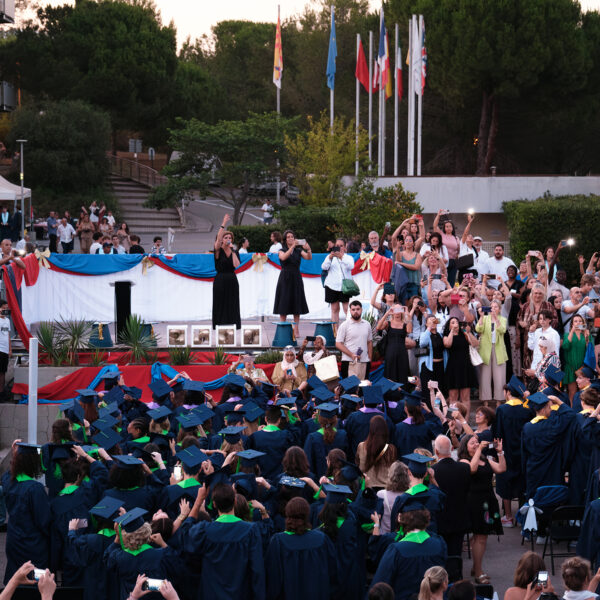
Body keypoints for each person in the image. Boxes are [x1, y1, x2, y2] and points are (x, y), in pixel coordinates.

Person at [181, 483, 265, 599]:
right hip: (240, 594)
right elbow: (257, 570)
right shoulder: (250, 531)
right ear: (235, 501)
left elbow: (185, 534)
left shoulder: (205, 531)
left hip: (211, 594)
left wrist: (198, 501)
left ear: (214, 504)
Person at [370, 500, 448, 600]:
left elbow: (381, 581)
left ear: (400, 519)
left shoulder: (396, 550)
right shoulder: (439, 544)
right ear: (427, 519)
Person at [265, 497, 338, 600]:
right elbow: (333, 574)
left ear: (287, 514)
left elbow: (273, 580)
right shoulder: (322, 539)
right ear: (307, 515)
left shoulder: (278, 542)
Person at [458, 434, 506, 583]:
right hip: (474, 502)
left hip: (488, 500)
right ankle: (478, 572)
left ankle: (476, 566)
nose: (476, 444)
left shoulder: (485, 459)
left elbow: (501, 469)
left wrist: (500, 452)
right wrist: (479, 449)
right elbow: (472, 469)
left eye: (477, 442)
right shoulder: (464, 460)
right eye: (472, 443)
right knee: (480, 537)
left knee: (482, 537)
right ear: (465, 446)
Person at [2, 441, 51, 584]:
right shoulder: (35, 489)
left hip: (14, 541)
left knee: (16, 578)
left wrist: (15, 453)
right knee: (36, 580)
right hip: (33, 545)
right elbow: (44, 522)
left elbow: (8, 473)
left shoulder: (8, 482)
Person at [521, 392, 576, 498]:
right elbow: (571, 414)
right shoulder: (553, 425)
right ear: (543, 409)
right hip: (553, 470)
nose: (551, 410)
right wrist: (558, 401)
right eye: (549, 407)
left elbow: (524, 453)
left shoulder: (527, 428)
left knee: (536, 502)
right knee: (552, 500)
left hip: (533, 470)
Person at [495, 378, 532, 526]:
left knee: (505, 481)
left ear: (508, 392)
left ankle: (509, 517)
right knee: (523, 482)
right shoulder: (527, 409)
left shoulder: (502, 410)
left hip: (507, 451)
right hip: (524, 452)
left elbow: (497, 433)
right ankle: (523, 518)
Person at [432, 435, 471, 556]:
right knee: (456, 554)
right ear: (452, 448)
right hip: (459, 517)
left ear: (436, 451)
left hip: (440, 519)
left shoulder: (433, 471)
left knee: (441, 554)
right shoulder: (464, 468)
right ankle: (457, 574)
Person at [273, 230, 312, 337]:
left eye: (292, 237)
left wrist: (308, 249)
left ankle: (296, 329)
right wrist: (292, 247)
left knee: (296, 302)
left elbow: (309, 257)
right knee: (284, 302)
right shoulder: (282, 249)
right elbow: (283, 257)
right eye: (288, 237)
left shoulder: (298, 251)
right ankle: (282, 328)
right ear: (285, 239)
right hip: (285, 277)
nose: (291, 238)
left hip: (296, 277)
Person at [476, 300, 508, 407]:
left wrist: (496, 319)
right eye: (492, 307)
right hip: (485, 350)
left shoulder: (503, 319)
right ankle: (486, 403)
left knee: (500, 378)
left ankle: (499, 402)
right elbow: (478, 329)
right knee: (485, 377)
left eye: (496, 307)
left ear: (499, 309)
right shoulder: (484, 319)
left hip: (499, 350)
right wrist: (481, 316)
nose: (493, 309)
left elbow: (502, 330)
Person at [442, 317, 478, 412]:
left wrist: (468, 332)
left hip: (465, 367)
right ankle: (452, 422)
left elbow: (475, 344)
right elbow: (447, 344)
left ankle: (465, 422)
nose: (455, 324)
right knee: (453, 397)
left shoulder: (464, 334)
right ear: (449, 326)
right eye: (452, 322)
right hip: (453, 367)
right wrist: (452, 331)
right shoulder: (446, 336)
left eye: (457, 322)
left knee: (465, 397)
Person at [212, 214, 241, 330]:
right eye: (226, 238)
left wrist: (233, 251)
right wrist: (223, 223)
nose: (228, 239)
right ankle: (219, 324)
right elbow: (218, 239)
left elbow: (237, 265)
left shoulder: (234, 251)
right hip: (220, 278)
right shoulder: (218, 250)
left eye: (230, 238)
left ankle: (233, 324)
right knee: (220, 302)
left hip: (232, 278)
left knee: (232, 302)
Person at [356, 415, 398, 490]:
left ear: (371, 430)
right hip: (385, 490)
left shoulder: (361, 446)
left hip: (367, 488)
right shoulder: (391, 449)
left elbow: (358, 466)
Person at [321, 237, 355, 327]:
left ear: (345, 247)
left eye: (341, 246)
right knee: (334, 309)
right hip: (332, 285)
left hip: (345, 287)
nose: (339, 248)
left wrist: (341, 257)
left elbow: (351, 266)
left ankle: (350, 329)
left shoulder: (348, 257)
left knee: (347, 309)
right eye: (337, 246)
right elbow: (324, 267)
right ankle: (335, 332)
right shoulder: (330, 257)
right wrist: (330, 257)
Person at [336, 300, 373, 379]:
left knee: (363, 387)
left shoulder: (367, 324)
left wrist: (369, 357)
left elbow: (369, 341)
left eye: (358, 309)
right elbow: (338, 344)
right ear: (350, 311)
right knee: (349, 389)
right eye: (353, 310)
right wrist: (351, 355)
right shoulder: (345, 325)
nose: (356, 311)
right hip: (348, 361)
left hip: (364, 361)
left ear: (361, 310)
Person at [377, 303, 412, 384]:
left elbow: (409, 330)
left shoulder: (405, 324)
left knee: (403, 372)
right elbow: (378, 327)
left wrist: (407, 313)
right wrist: (387, 313)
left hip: (402, 352)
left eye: (399, 310)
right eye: (395, 310)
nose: (397, 312)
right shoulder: (388, 323)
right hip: (390, 352)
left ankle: (404, 393)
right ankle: (390, 393)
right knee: (390, 372)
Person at [376, 461, 410, 534]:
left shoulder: (381, 494)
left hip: (384, 535)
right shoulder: (409, 495)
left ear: (390, 475)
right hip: (402, 536)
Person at [433, 210, 460, 286]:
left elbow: (458, 250)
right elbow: (435, 225)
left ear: (452, 228)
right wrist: (438, 215)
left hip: (453, 262)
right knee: (442, 280)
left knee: (451, 282)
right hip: (443, 261)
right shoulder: (441, 235)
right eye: (446, 226)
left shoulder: (456, 238)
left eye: (450, 226)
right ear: (444, 228)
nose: (448, 228)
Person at [0, 299, 11, 401]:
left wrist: (10, 349)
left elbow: (7, 335)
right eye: (3, 308)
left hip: (5, 350)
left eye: (6, 308)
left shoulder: (7, 320)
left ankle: (2, 392)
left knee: (3, 372)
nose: (5, 310)